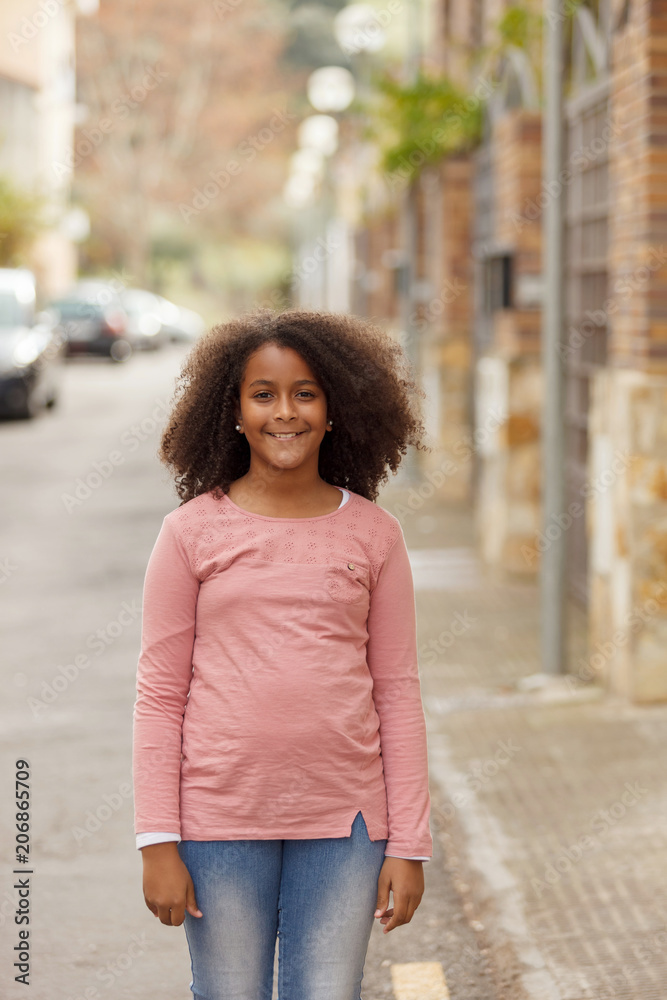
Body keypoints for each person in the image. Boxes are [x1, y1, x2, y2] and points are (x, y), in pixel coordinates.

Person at [132, 307, 434, 1000]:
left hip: (347, 827)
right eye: (262, 394)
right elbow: (159, 695)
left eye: (305, 393)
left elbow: (396, 691)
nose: (284, 412)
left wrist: (409, 844)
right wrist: (156, 840)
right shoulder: (190, 534)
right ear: (232, 411)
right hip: (216, 820)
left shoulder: (373, 535)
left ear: (335, 409)